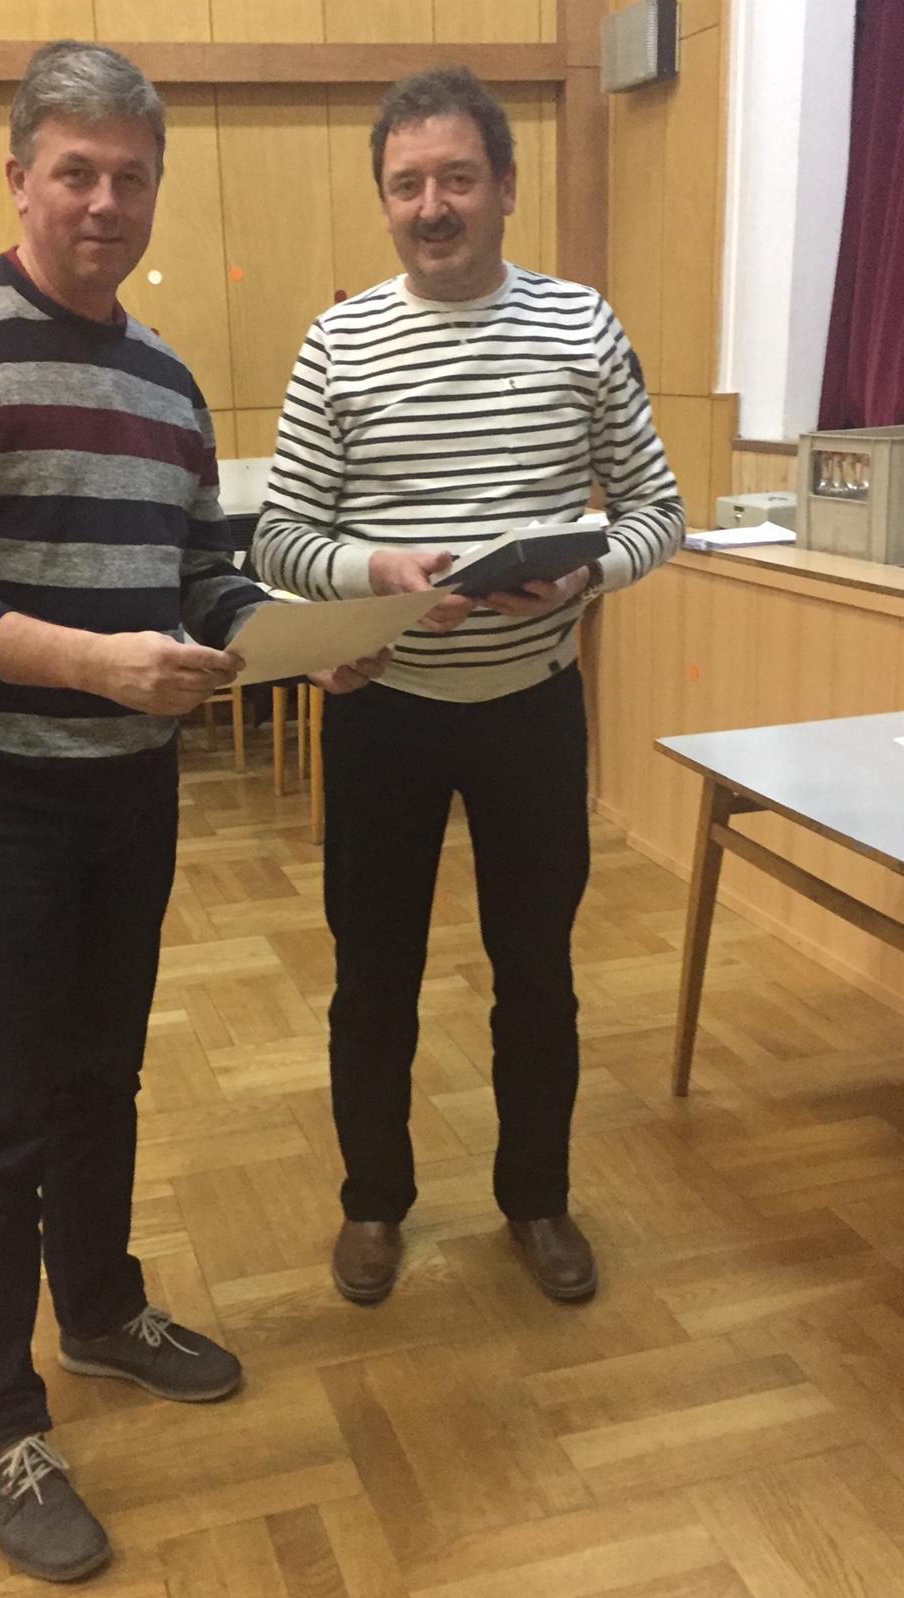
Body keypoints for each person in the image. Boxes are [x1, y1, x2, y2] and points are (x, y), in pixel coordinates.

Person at [0, 40, 379, 1584]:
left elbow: (200, 574)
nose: (103, 201)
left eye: (129, 177)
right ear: (17, 177)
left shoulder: (164, 379)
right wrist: (92, 661)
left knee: (103, 1078)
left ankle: (96, 1310)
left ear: (154, 192)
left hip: (126, 797)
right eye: (73, 172)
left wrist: (290, 644)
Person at [252, 67, 685, 1312]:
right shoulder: (338, 342)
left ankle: (535, 1197)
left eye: (455, 178)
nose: (431, 205)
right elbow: (279, 537)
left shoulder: (581, 327)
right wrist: (376, 571)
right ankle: (373, 1202)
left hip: (531, 711)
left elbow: (657, 511)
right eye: (407, 185)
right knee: (370, 977)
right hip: (381, 711)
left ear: (506, 185)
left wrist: (588, 571)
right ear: (383, 200)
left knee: (536, 972)